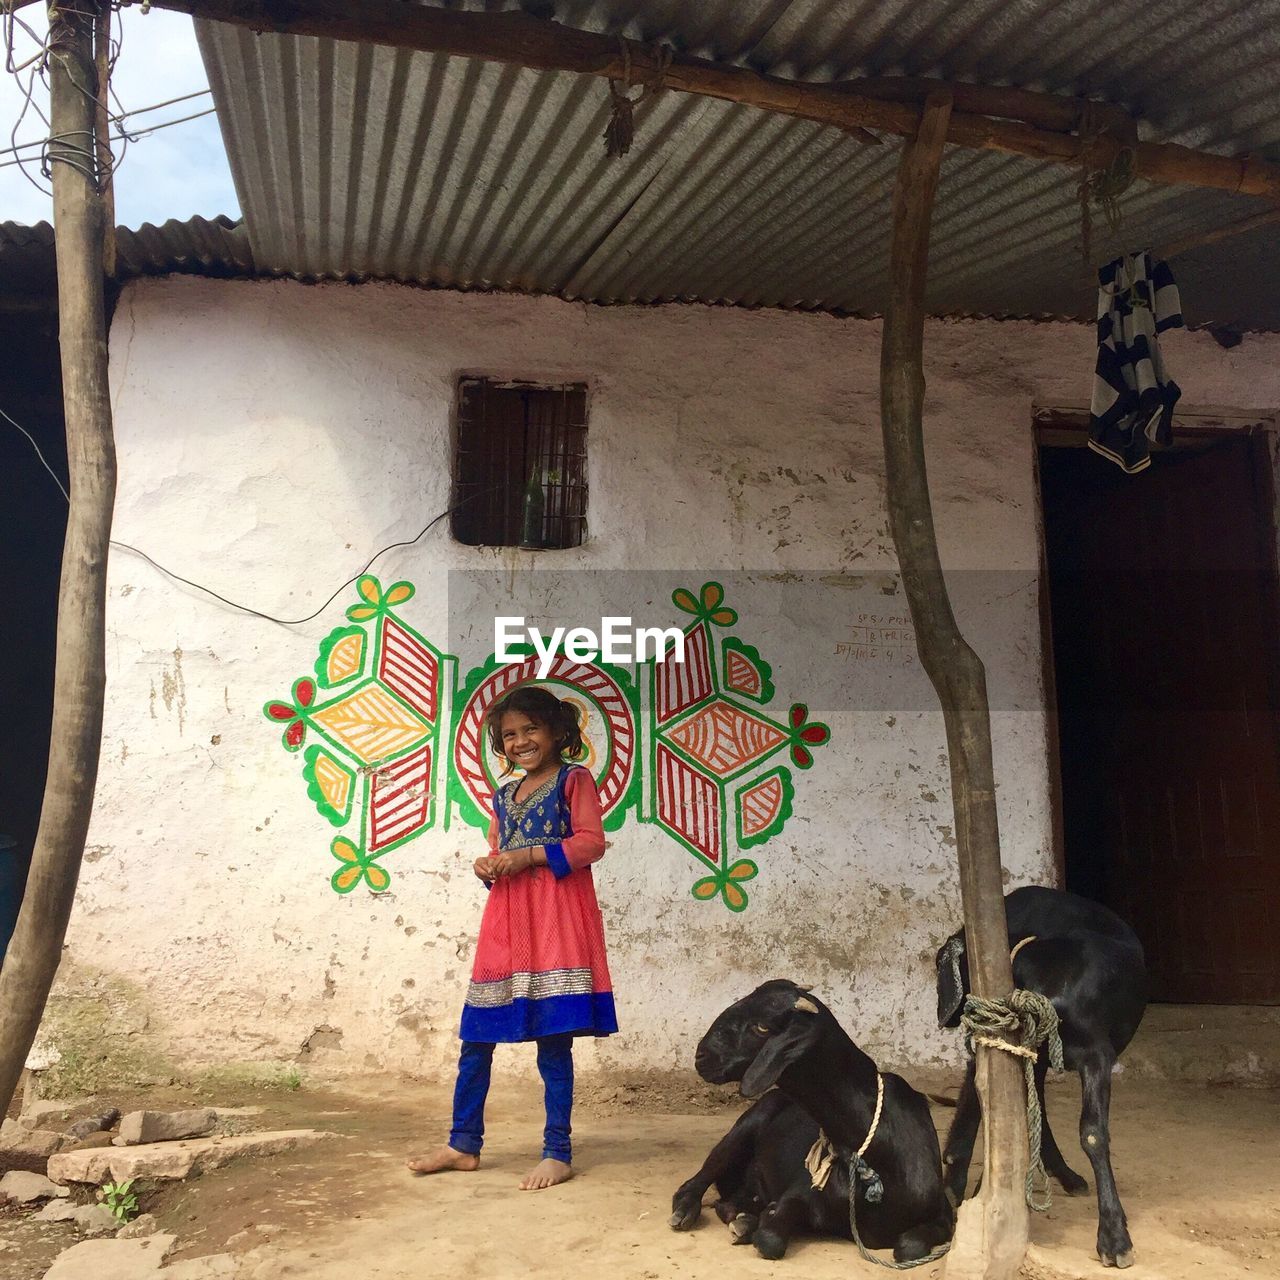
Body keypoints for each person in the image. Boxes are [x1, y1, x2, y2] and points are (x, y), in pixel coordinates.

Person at [408, 684, 617, 1190]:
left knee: (553, 1040)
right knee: (477, 1036)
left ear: (557, 732)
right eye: (509, 735)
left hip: (555, 918)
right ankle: (463, 1143)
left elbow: (591, 842)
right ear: (501, 747)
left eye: (531, 729)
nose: (521, 740)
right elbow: (499, 849)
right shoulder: (503, 797)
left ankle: (558, 1151)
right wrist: (491, 865)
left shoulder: (575, 780)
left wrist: (530, 857)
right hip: (506, 919)